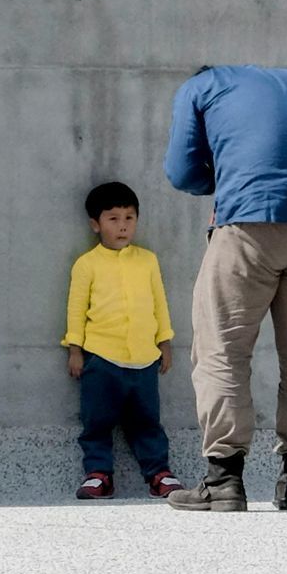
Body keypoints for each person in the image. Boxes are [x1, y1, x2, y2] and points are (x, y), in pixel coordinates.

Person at [161, 65, 287, 514]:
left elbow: (182, 171)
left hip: (250, 222)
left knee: (222, 349)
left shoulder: (199, 86)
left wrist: (229, 176)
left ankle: (223, 480)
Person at [63, 182, 182, 500]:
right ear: (95, 224)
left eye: (129, 217)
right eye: (113, 218)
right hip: (101, 358)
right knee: (96, 420)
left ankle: (159, 473)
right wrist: (75, 350)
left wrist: (164, 341)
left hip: (144, 358)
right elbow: (76, 309)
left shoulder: (148, 260)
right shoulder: (86, 264)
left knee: (146, 421)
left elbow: (159, 301)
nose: (123, 225)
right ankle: (98, 474)